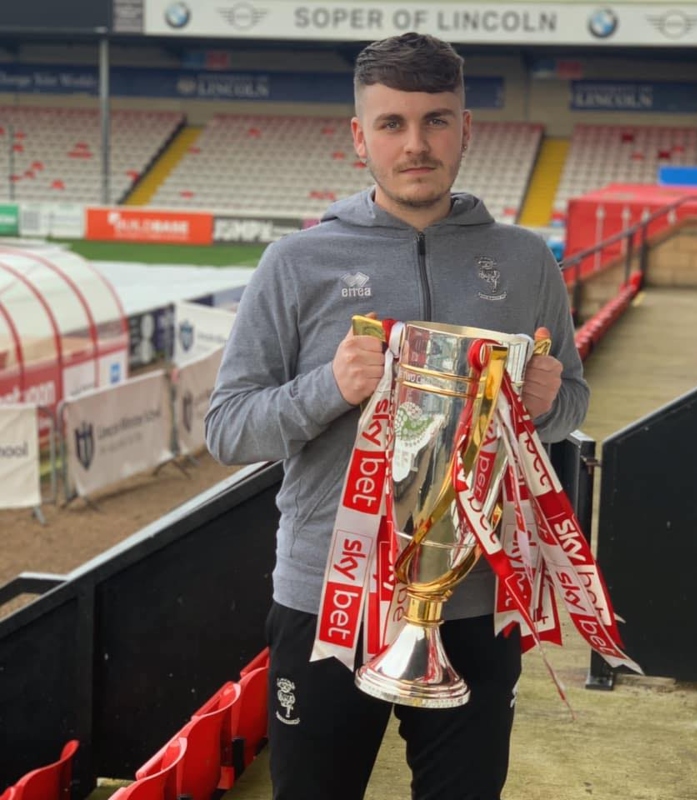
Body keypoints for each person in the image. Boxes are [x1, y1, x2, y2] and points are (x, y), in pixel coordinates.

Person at [205, 32, 589, 800]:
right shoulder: (296, 262)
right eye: (392, 124)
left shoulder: (524, 261)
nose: (416, 144)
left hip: (474, 600)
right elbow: (227, 428)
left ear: (466, 129)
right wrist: (330, 388)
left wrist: (546, 405)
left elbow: (572, 400)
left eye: (436, 120)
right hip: (329, 598)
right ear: (360, 137)